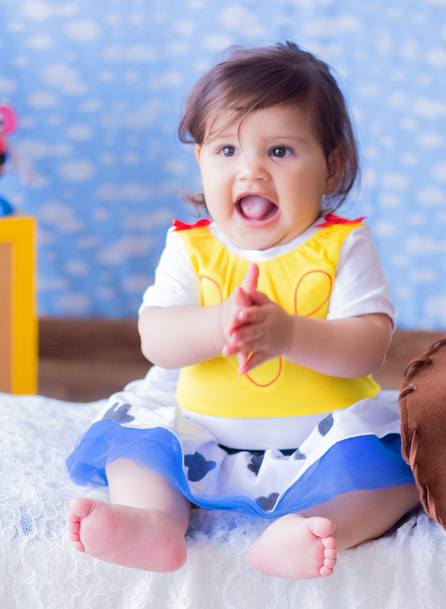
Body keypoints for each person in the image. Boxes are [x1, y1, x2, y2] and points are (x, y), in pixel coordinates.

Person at [64, 43, 420, 579]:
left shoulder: (343, 247)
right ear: (201, 161)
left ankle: (314, 526)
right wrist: (216, 323)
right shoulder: (192, 248)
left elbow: (367, 347)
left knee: (401, 474)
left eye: (279, 151)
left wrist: (288, 334)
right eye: (226, 151)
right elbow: (155, 338)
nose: (250, 170)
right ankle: (154, 521)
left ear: (333, 164)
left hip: (318, 438)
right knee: (136, 446)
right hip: (201, 430)